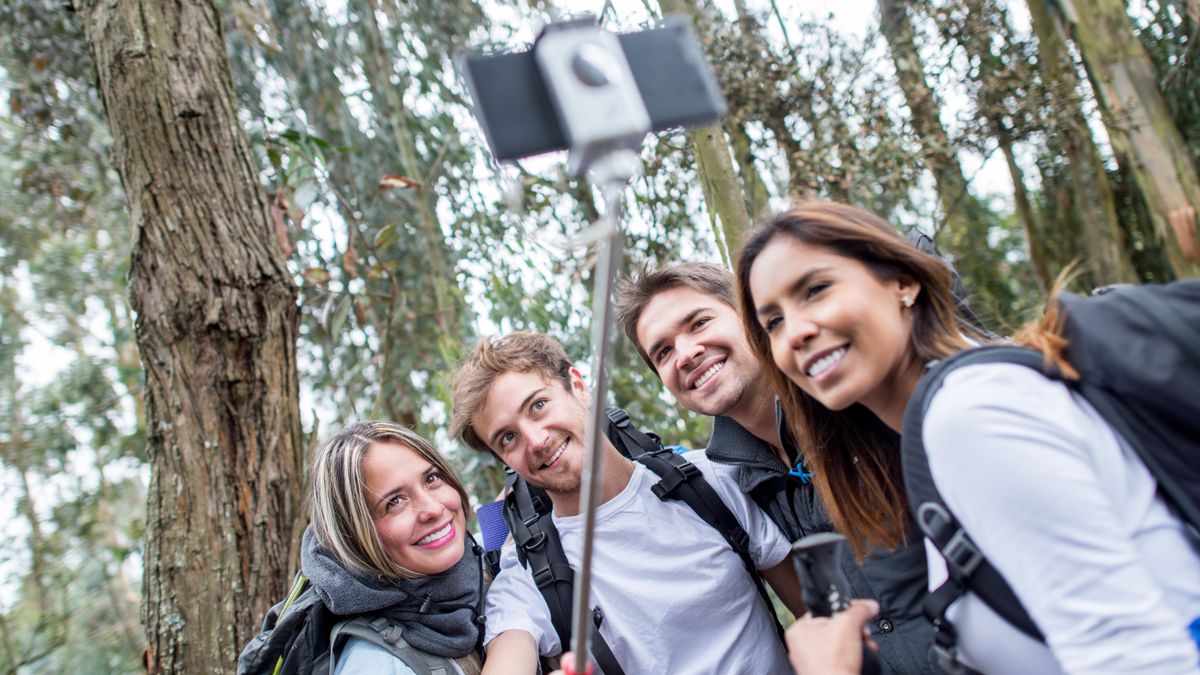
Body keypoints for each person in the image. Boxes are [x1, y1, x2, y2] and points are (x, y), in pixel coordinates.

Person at [736, 199, 1200, 673]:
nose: (794, 332)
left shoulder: (968, 416)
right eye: (773, 321)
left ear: (903, 283)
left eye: (816, 290)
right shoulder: (936, 427)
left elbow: (1131, 654)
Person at [615, 263, 939, 673]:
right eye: (663, 351)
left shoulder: (862, 400)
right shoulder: (732, 489)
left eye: (699, 323)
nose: (686, 354)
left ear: (750, 317)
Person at [447, 331, 803, 673]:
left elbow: (815, 615)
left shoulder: (708, 481)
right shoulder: (526, 570)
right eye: (508, 438)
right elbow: (510, 650)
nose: (536, 440)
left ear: (579, 385)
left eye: (538, 405)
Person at [304, 421, 493, 675]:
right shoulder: (378, 666)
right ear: (356, 540)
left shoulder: (481, 563)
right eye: (394, 502)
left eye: (432, 478)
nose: (434, 509)